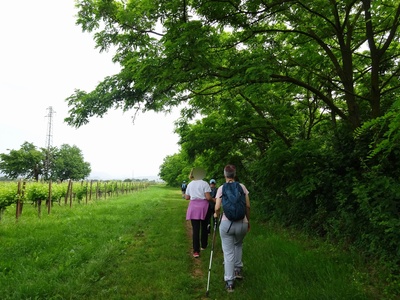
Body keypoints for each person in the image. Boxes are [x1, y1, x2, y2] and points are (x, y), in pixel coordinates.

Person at [214, 164, 250, 292]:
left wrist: (215, 214)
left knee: (228, 252)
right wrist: (248, 221)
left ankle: (230, 282)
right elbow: (248, 206)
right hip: (242, 223)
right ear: (235, 175)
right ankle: (238, 270)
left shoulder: (221, 188)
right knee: (238, 244)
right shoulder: (242, 187)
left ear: (225, 175)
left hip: (226, 224)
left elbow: (217, 207)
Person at [185, 168, 212, 258]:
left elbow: (187, 197)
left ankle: (196, 251)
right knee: (204, 227)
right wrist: (214, 199)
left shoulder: (190, 184)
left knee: (195, 229)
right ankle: (203, 245)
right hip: (204, 207)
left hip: (193, 207)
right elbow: (208, 197)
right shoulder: (205, 184)